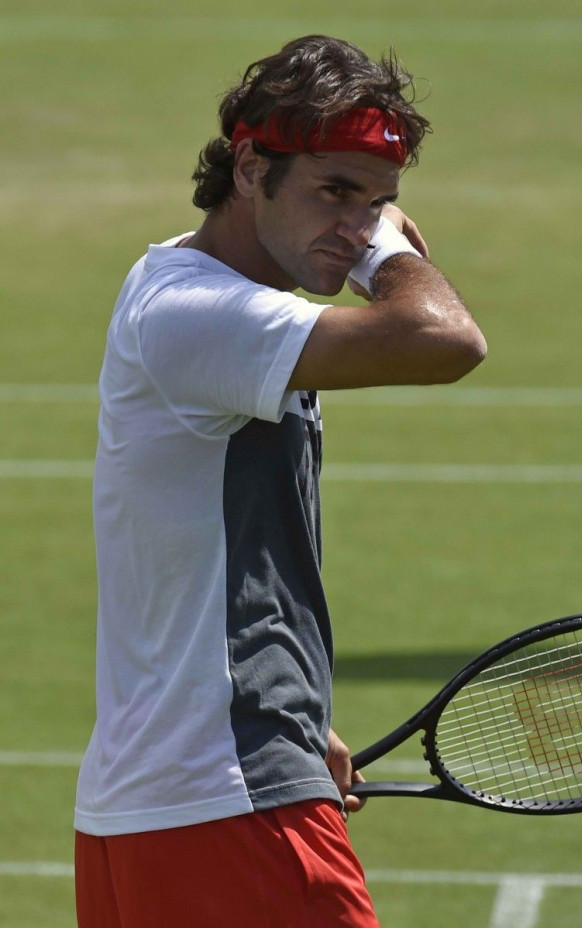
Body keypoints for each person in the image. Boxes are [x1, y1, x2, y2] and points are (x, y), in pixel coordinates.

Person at [74, 34, 486, 928]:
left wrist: (297, 715)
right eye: (335, 194)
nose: (357, 222)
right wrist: (384, 254)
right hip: (225, 808)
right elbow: (447, 339)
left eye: (380, 202)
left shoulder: (184, 291)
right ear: (251, 165)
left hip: (165, 807)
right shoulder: (200, 314)